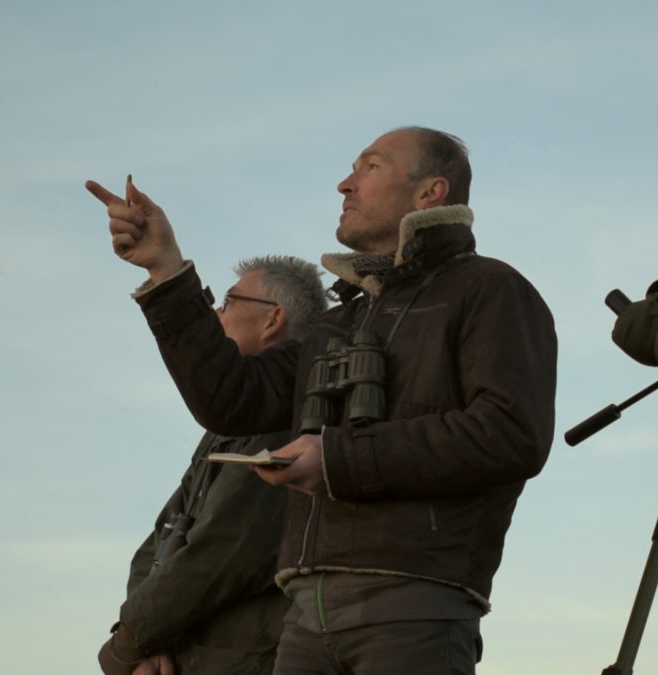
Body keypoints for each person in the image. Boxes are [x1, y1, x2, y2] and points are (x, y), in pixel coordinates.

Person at [86, 126, 558, 674]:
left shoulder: (490, 289)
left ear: (431, 192)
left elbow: (510, 433)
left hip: (414, 608)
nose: (344, 183)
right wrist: (165, 269)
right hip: (305, 623)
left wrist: (337, 458)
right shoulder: (336, 325)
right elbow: (228, 400)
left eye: (369, 167)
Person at [97, 256, 327, 675]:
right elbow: (164, 534)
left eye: (227, 301)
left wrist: (126, 646)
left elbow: (223, 550)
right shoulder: (226, 428)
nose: (216, 315)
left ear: (272, 319)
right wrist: (148, 641)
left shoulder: (290, 420)